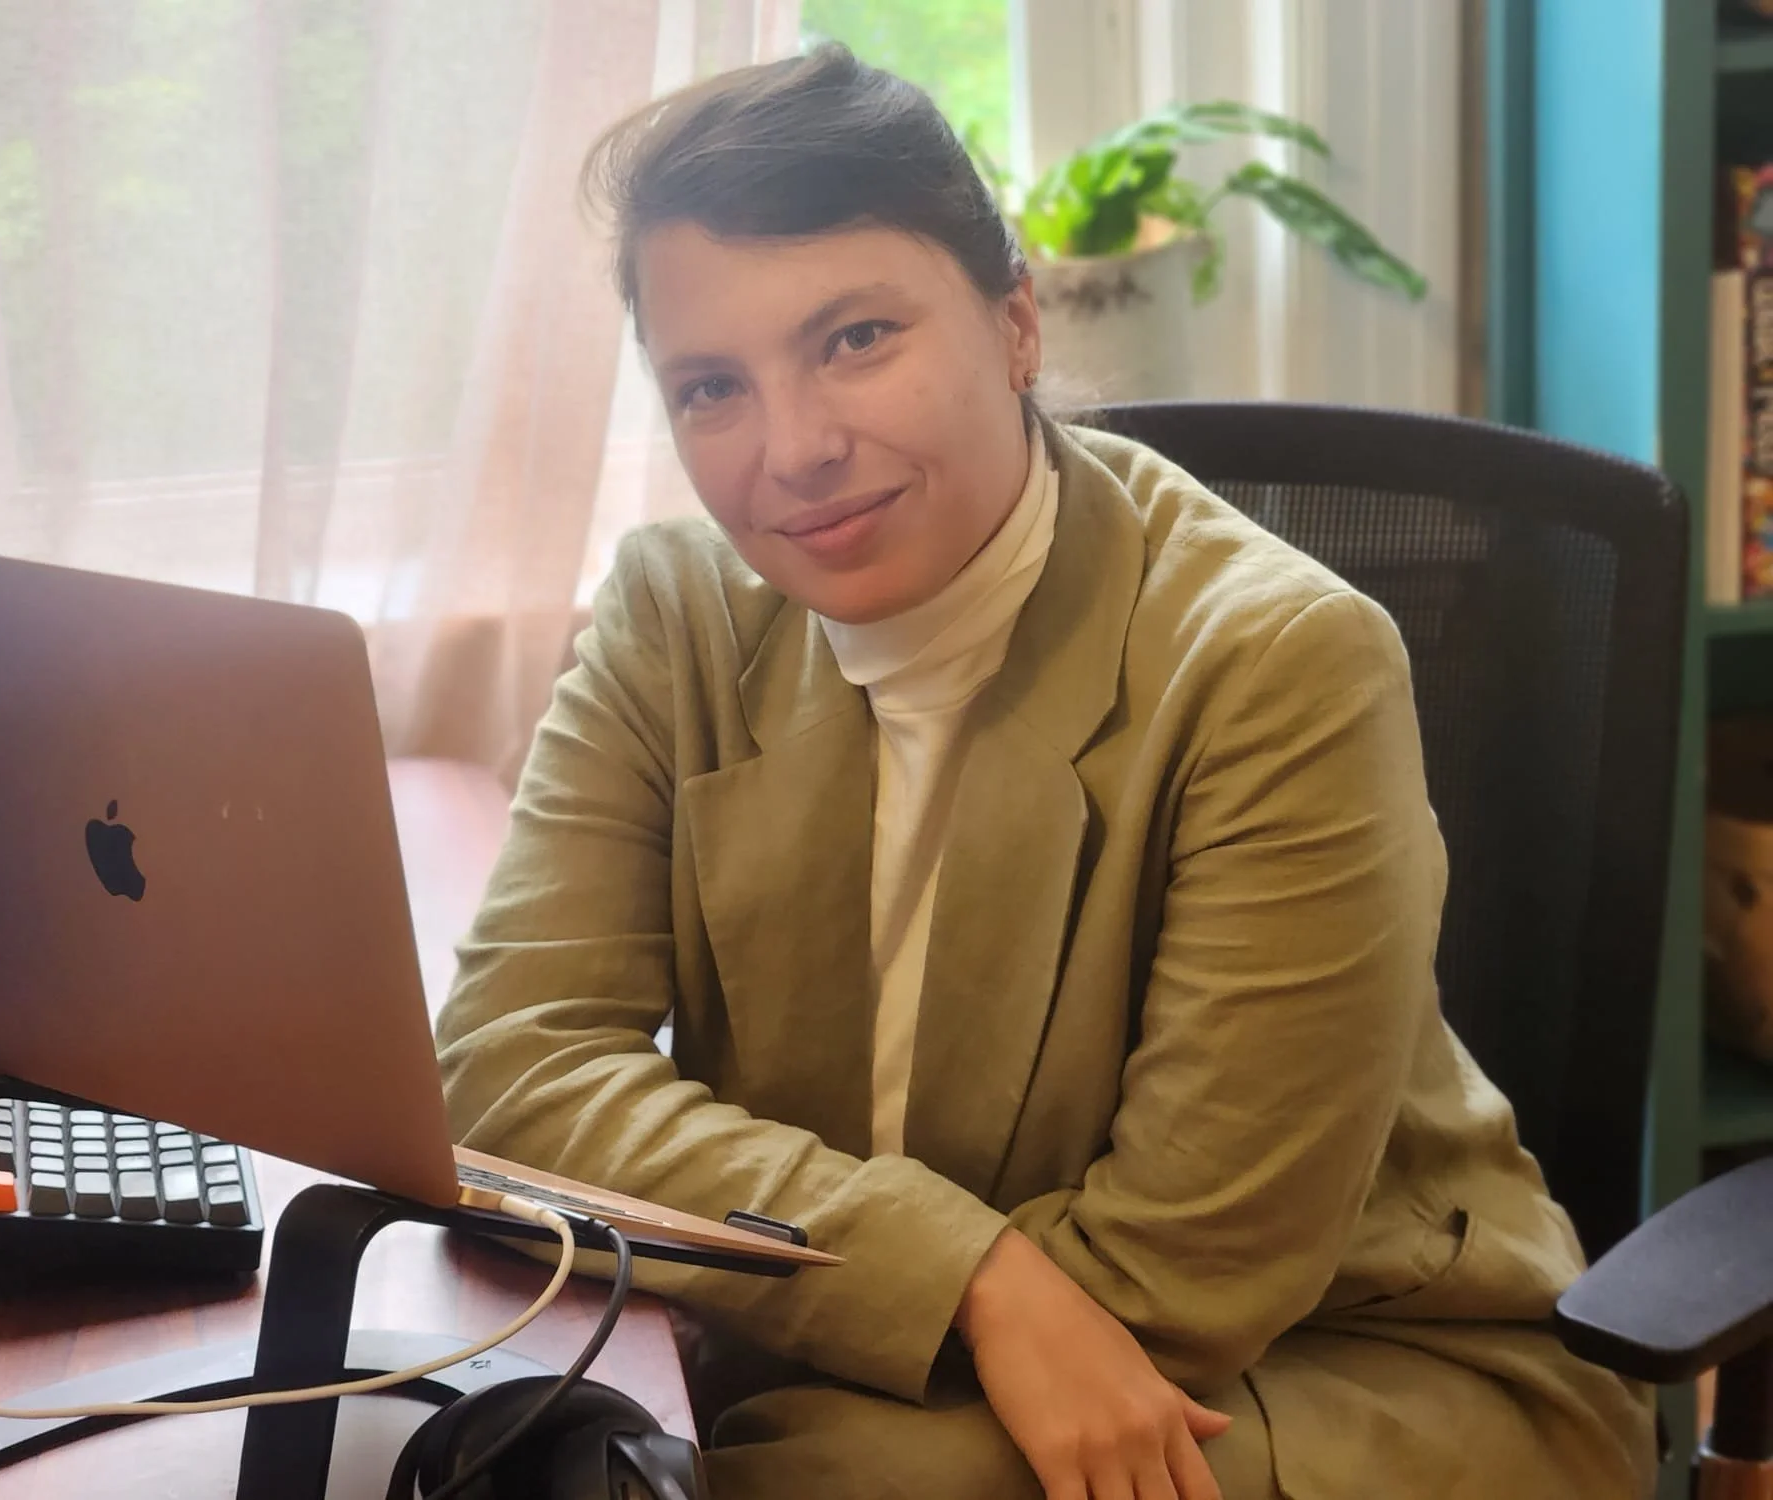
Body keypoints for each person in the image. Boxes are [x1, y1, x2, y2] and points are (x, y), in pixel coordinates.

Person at [434, 43, 1654, 1500]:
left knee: (741, 1479)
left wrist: (771, 1320)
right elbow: (510, 1075)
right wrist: (973, 1283)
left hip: (1359, 1365)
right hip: (923, 1346)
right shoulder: (672, 614)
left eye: (855, 337)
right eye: (712, 386)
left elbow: (1186, 1269)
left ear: (1015, 320)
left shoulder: (1280, 663)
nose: (795, 449)